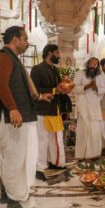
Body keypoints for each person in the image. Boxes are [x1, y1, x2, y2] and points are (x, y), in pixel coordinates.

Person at [0, 26, 52, 208]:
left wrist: (41, 97)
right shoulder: (2, 56)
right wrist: (12, 108)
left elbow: (20, 87)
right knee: (15, 158)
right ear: (15, 39)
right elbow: (0, 85)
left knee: (8, 156)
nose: (27, 42)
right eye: (25, 39)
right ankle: (13, 198)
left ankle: (5, 193)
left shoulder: (11, 58)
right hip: (9, 117)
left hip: (15, 115)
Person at [31, 44, 69, 182]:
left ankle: (55, 163)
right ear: (49, 53)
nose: (59, 56)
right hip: (42, 110)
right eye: (57, 53)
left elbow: (58, 87)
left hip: (55, 109)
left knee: (55, 139)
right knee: (42, 140)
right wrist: (54, 90)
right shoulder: (37, 69)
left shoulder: (54, 69)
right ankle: (39, 168)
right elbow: (35, 90)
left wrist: (65, 87)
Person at [73, 57, 105, 160]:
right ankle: (81, 155)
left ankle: (93, 154)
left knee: (95, 130)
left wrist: (97, 88)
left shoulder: (99, 76)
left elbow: (103, 89)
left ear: (97, 66)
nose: (93, 66)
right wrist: (87, 86)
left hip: (95, 106)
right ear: (87, 64)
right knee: (83, 130)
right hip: (84, 106)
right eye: (91, 64)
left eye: (95, 65)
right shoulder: (80, 73)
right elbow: (74, 88)